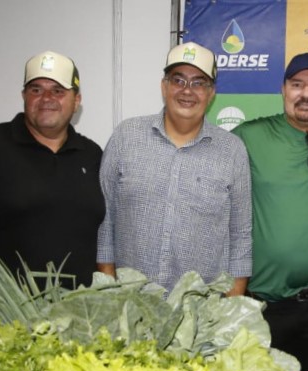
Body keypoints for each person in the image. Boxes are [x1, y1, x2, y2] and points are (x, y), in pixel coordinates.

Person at [0, 51, 104, 288]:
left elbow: (106, 236)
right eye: (36, 89)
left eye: (58, 90)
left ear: (76, 101)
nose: (46, 98)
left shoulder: (92, 154)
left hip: (80, 306)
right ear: (24, 96)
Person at [232, 53, 308, 371]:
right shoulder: (248, 137)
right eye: (297, 85)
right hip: (263, 306)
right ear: (283, 91)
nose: (307, 94)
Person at [97, 42, 251, 295]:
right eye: (178, 80)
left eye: (199, 83)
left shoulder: (232, 150)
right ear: (164, 86)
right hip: (131, 303)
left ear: (211, 93)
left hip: (202, 307)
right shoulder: (126, 136)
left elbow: (241, 235)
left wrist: (232, 307)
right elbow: (105, 220)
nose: (187, 91)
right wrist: (109, 294)